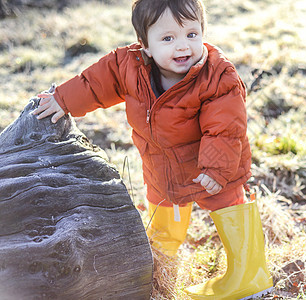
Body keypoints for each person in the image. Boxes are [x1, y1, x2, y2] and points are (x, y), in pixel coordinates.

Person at [33, 0, 273, 298]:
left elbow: (225, 127)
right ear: (145, 45)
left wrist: (216, 168)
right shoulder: (127, 65)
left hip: (211, 168)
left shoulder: (217, 76)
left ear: (202, 32)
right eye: (168, 38)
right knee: (162, 219)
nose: (183, 46)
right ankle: (160, 272)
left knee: (228, 204)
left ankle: (250, 275)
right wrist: (63, 99)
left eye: (191, 34)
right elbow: (94, 84)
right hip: (161, 166)